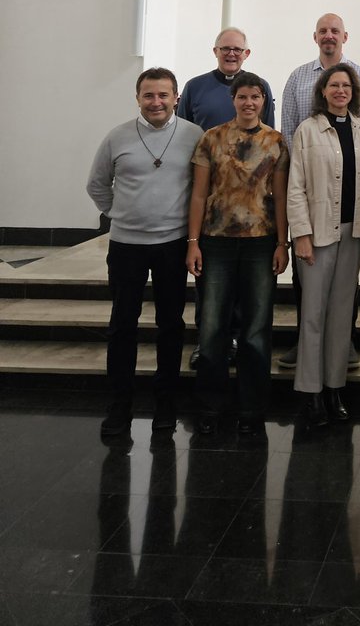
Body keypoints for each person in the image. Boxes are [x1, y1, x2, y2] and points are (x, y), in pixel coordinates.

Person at [86, 68, 203, 437]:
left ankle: (165, 403)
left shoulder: (193, 135)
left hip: (172, 245)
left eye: (163, 95)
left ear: (176, 98)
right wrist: (121, 214)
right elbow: (97, 185)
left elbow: (202, 188)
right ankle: (119, 406)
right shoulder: (117, 136)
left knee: (170, 325)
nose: (156, 102)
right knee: (123, 326)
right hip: (126, 246)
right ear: (138, 98)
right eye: (149, 96)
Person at [186, 72, 290, 433]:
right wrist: (193, 242)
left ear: (264, 101)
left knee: (256, 329)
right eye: (243, 97)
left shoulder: (276, 142)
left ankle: (251, 408)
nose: (249, 103)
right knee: (213, 327)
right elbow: (199, 195)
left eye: (255, 97)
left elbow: (280, 197)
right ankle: (212, 407)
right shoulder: (211, 139)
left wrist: (282, 243)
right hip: (216, 241)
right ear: (233, 100)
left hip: (261, 243)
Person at [287, 64, 360, 426]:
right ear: (323, 91)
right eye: (334, 85)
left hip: (352, 232)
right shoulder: (307, 131)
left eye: (346, 85)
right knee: (313, 314)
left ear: (354, 92)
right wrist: (302, 235)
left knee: (342, 315)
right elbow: (295, 188)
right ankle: (309, 393)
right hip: (317, 234)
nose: (341, 91)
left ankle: (334, 388)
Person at [279, 12, 360, 369]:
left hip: (346, 186)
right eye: (323, 31)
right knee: (307, 273)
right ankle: (305, 342)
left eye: (335, 31)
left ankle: (343, 343)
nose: (329, 36)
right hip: (309, 184)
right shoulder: (298, 77)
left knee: (346, 280)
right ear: (315, 36)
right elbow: (289, 129)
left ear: (345, 36)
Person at [178, 26, 275, 369]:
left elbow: (271, 145)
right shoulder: (195, 87)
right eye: (225, 48)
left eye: (237, 49)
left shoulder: (260, 86)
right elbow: (183, 132)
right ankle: (208, 344)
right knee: (212, 294)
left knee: (247, 297)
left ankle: (237, 343)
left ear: (247, 53)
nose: (231, 53)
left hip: (252, 213)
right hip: (212, 201)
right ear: (215, 51)